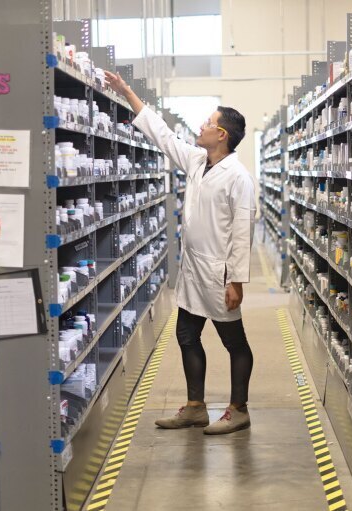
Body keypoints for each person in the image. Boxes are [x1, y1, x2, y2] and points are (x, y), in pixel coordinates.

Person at [104, 71, 256, 435]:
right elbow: (161, 134)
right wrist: (127, 91)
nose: (201, 126)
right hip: (193, 270)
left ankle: (238, 409)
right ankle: (195, 407)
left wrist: (237, 281)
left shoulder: (239, 177)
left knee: (234, 342)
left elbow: (242, 231)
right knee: (186, 335)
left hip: (219, 274)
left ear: (222, 134)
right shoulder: (196, 161)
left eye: (208, 122)